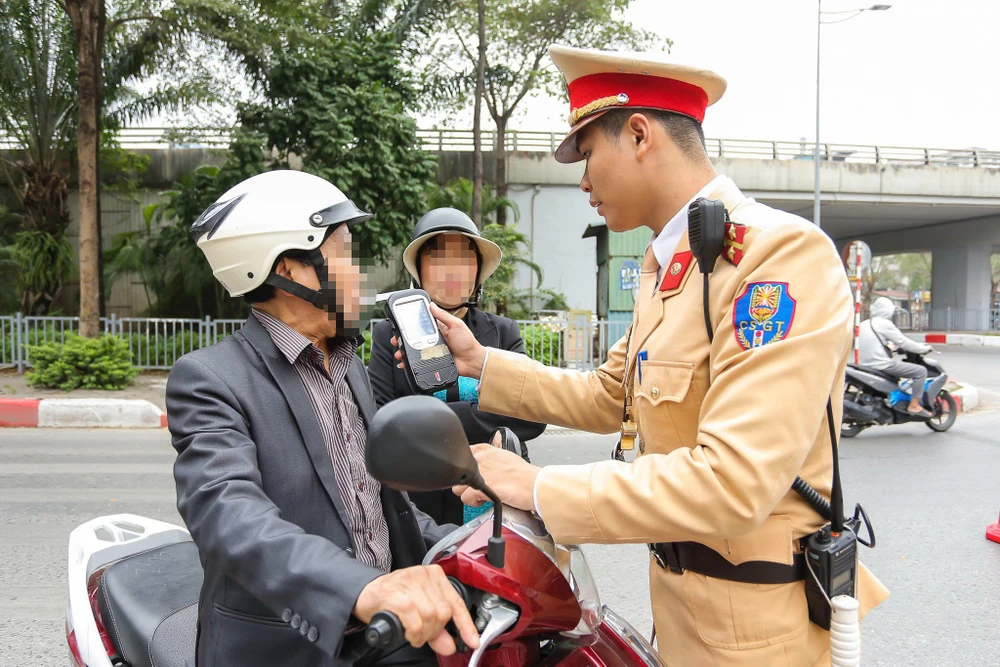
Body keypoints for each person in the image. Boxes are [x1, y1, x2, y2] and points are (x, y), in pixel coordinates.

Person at [400, 45, 889, 665]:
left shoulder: (774, 258)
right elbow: (611, 395)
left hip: (755, 636)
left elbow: (733, 481)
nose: (582, 181)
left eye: (587, 154)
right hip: (683, 613)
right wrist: (479, 363)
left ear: (637, 135)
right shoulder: (674, 265)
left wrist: (539, 486)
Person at [166, 170, 478, 667]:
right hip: (291, 646)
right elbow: (232, 518)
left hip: (387, 636)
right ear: (292, 270)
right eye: (345, 254)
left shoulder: (348, 364)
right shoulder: (210, 380)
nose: (360, 272)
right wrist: (363, 589)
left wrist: (471, 549)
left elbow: (380, 507)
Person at [368, 208, 545, 525]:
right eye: (437, 258)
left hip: (493, 505)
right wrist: (483, 414)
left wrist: (427, 420)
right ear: (418, 270)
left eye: (464, 258)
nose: (452, 270)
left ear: (478, 271)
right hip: (417, 508)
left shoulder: (503, 333)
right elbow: (382, 421)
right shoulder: (388, 335)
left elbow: (533, 416)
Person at [859, 296, 934, 416]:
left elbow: (875, 344)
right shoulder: (884, 324)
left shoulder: (864, 324)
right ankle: (914, 405)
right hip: (881, 365)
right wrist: (924, 348)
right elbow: (904, 342)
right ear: (888, 310)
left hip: (864, 365)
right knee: (920, 372)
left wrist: (892, 349)